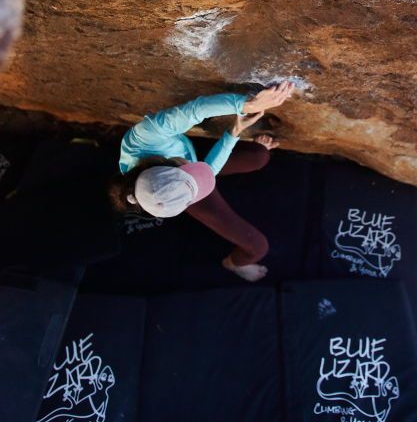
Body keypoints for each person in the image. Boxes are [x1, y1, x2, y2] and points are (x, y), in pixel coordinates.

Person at [109, 81, 294, 281]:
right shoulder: (174, 193)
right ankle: (233, 264)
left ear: (164, 162)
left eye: (191, 170)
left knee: (259, 156)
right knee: (258, 247)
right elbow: (209, 171)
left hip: (188, 159)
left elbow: (194, 111)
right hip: (188, 190)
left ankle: (248, 152)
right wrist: (232, 136)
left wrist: (245, 108)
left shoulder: (145, 137)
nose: (198, 171)